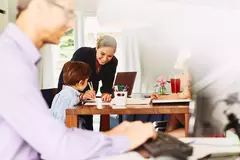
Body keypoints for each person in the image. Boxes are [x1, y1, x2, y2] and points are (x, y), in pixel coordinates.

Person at [0, 0, 157, 159]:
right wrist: (123, 139)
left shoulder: (16, 57)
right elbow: (57, 144)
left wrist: (111, 135)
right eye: (68, 13)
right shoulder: (10, 62)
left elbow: (44, 139)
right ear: (38, 5)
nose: (73, 24)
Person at [57, 35, 118, 130]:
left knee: (88, 121)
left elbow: (108, 83)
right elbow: (70, 75)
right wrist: (81, 95)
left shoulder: (113, 62)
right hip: (72, 86)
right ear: (97, 47)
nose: (105, 58)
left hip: (90, 89)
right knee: (70, 117)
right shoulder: (83, 53)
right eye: (102, 53)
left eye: (109, 56)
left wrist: (106, 93)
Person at [50, 61, 92, 128]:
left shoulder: (67, 93)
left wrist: (81, 97)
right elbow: (61, 119)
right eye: (87, 81)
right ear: (81, 82)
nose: (87, 83)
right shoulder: (69, 97)